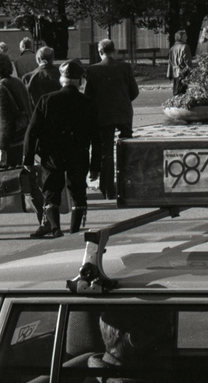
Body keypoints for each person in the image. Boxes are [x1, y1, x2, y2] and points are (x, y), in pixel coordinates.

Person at [23, 58, 100, 237]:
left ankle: (56, 227)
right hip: (78, 154)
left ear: (61, 80)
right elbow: (97, 137)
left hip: (51, 155)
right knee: (78, 192)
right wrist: (96, 165)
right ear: (80, 81)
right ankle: (74, 229)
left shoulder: (46, 100)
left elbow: (31, 132)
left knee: (51, 192)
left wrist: (27, 158)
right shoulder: (88, 102)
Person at [0, 52, 42, 241]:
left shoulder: (1, 87)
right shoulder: (17, 83)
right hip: (22, 141)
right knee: (29, 183)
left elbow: (3, 122)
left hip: (9, 144)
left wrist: (1, 150)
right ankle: (48, 221)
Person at [85, 39, 138, 203]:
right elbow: (134, 91)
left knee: (105, 152)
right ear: (114, 51)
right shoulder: (125, 67)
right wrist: (123, 101)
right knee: (127, 148)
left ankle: (108, 189)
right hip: (123, 113)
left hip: (103, 115)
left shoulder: (93, 70)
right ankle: (128, 184)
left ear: (100, 52)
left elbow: (88, 96)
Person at [166, 30, 191, 97]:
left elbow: (170, 62)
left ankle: (176, 104)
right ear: (180, 37)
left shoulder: (172, 48)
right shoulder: (185, 47)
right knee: (182, 92)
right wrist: (190, 72)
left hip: (175, 72)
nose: (187, 37)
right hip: (183, 72)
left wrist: (169, 73)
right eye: (185, 36)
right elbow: (188, 62)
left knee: (176, 91)